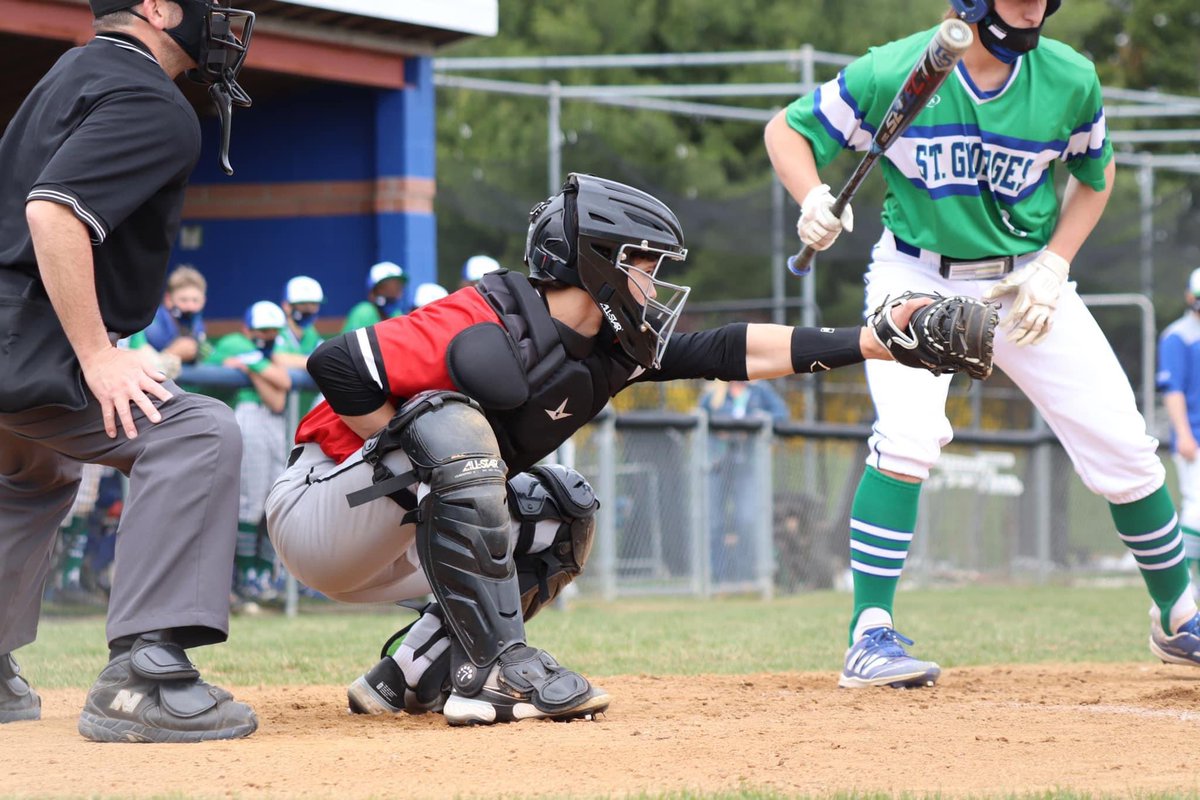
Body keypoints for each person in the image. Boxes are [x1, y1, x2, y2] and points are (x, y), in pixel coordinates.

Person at [265, 173, 951, 727]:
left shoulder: (612, 349)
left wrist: (871, 341)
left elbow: (726, 350)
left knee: (564, 511)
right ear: (598, 264)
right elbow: (337, 364)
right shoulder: (484, 315)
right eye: (645, 266)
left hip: (398, 537)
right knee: (451, 428)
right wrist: (420, 471)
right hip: (323, 510)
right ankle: (500, 669)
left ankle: (406, 674)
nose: (654, 285)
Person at [764, 0, 1200, 689]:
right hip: (916, 274)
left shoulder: (1069, 77)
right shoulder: (897, 68)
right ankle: (869, 633)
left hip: (1025, 278)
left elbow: (1095, 173)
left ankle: (1179, 616)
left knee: (1123, 442)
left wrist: (1057, 263)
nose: (1031, 7)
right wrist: (813, 195)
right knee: (907, 436)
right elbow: (787, 129)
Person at [0, 0, 258, 740]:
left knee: (30, 474)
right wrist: (96, 355)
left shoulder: (73, 71)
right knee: (197, 434)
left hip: (11, 331)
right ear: (156, 8)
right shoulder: (152, 97)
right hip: (27, 338)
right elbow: (53, 213)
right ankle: (142, 679)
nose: (223, 20)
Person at [205, 301, 292, 605]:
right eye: (261, 330)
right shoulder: (234, 342)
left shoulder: (273, 351)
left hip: (271, 421)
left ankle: (263, 575)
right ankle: (246, 578)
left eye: (271, 330)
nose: (266, 335)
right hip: (241, 417)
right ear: (247, 329)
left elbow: (280, 393)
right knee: (250, 502)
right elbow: (280, 387)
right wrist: (261, 371)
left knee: (274, 500)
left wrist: (252, 371)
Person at [698, 380, 790, 583]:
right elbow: (698, 419)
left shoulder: (760, 390)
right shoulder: (714, 392)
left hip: (748, 465)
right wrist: (718, 430)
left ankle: (746, 576)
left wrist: (754, 422)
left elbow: (781, 416)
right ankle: (718, 579)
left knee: (747, 519)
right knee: (714, 521)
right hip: (717, 465)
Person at [1157, 267, 1200, 588]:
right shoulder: (1178, 336)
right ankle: (1184, 582)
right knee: (1196, 508)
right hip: (1194, 436)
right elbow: (1173, 391)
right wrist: (1184, 434)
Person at [126, 264, 209, 366]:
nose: (190, 307)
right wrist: (172, 353)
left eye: (195, 300)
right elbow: (136, 362)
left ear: (203, 301)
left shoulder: (198, 325)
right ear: (168, 299)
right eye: (184, 300)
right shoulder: (148, 323)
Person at [273, 275, 325, 370]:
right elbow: (278, 359)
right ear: (286, 306)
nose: (309, 309)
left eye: (313, 304)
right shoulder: (275, 330)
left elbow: (328, 357)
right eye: (303, 304)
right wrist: (317, 363)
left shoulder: (310, 332)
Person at [341, 261, 407, 333]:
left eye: (399, 287)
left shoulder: (396, 314)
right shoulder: (364, 312)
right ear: (374, 291)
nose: (395, 293)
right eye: (388, 287)